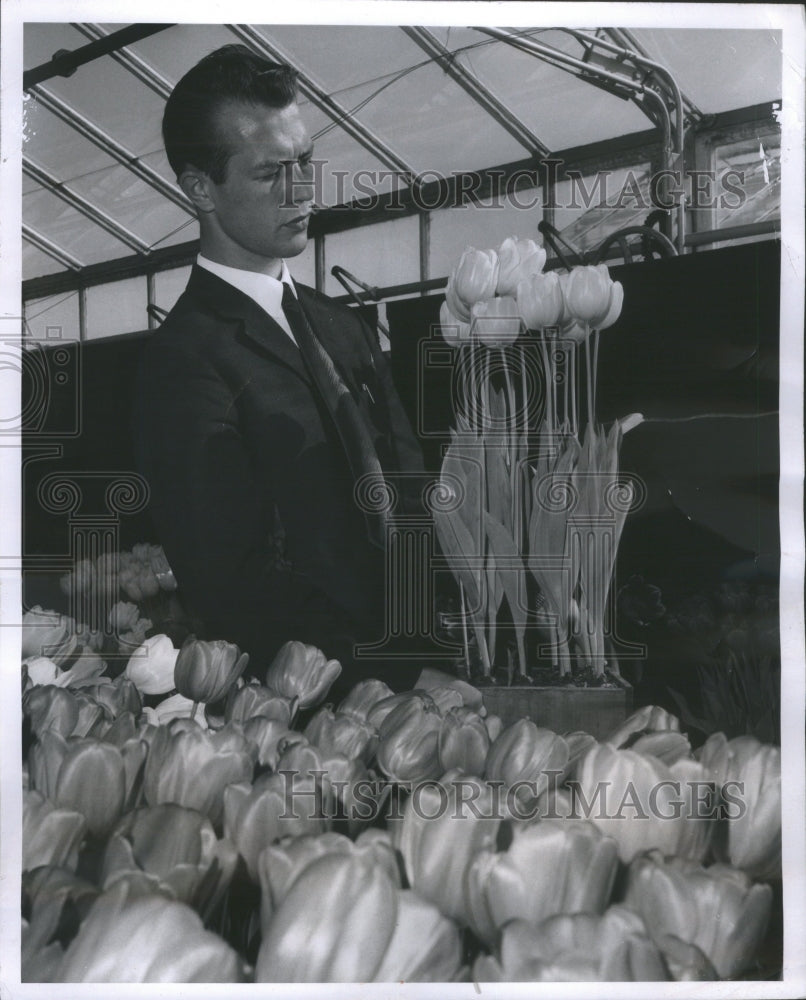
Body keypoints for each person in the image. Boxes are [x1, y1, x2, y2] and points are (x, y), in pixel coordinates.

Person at [132, 44, 425, 694]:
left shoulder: (341, 325)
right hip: (315, 712)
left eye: (305, 162)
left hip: (425, 679)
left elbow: (411, 497)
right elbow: (231, 584)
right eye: (270, 174)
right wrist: (397, 679)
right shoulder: (183, 361)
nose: (302, 191)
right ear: (201, 188)